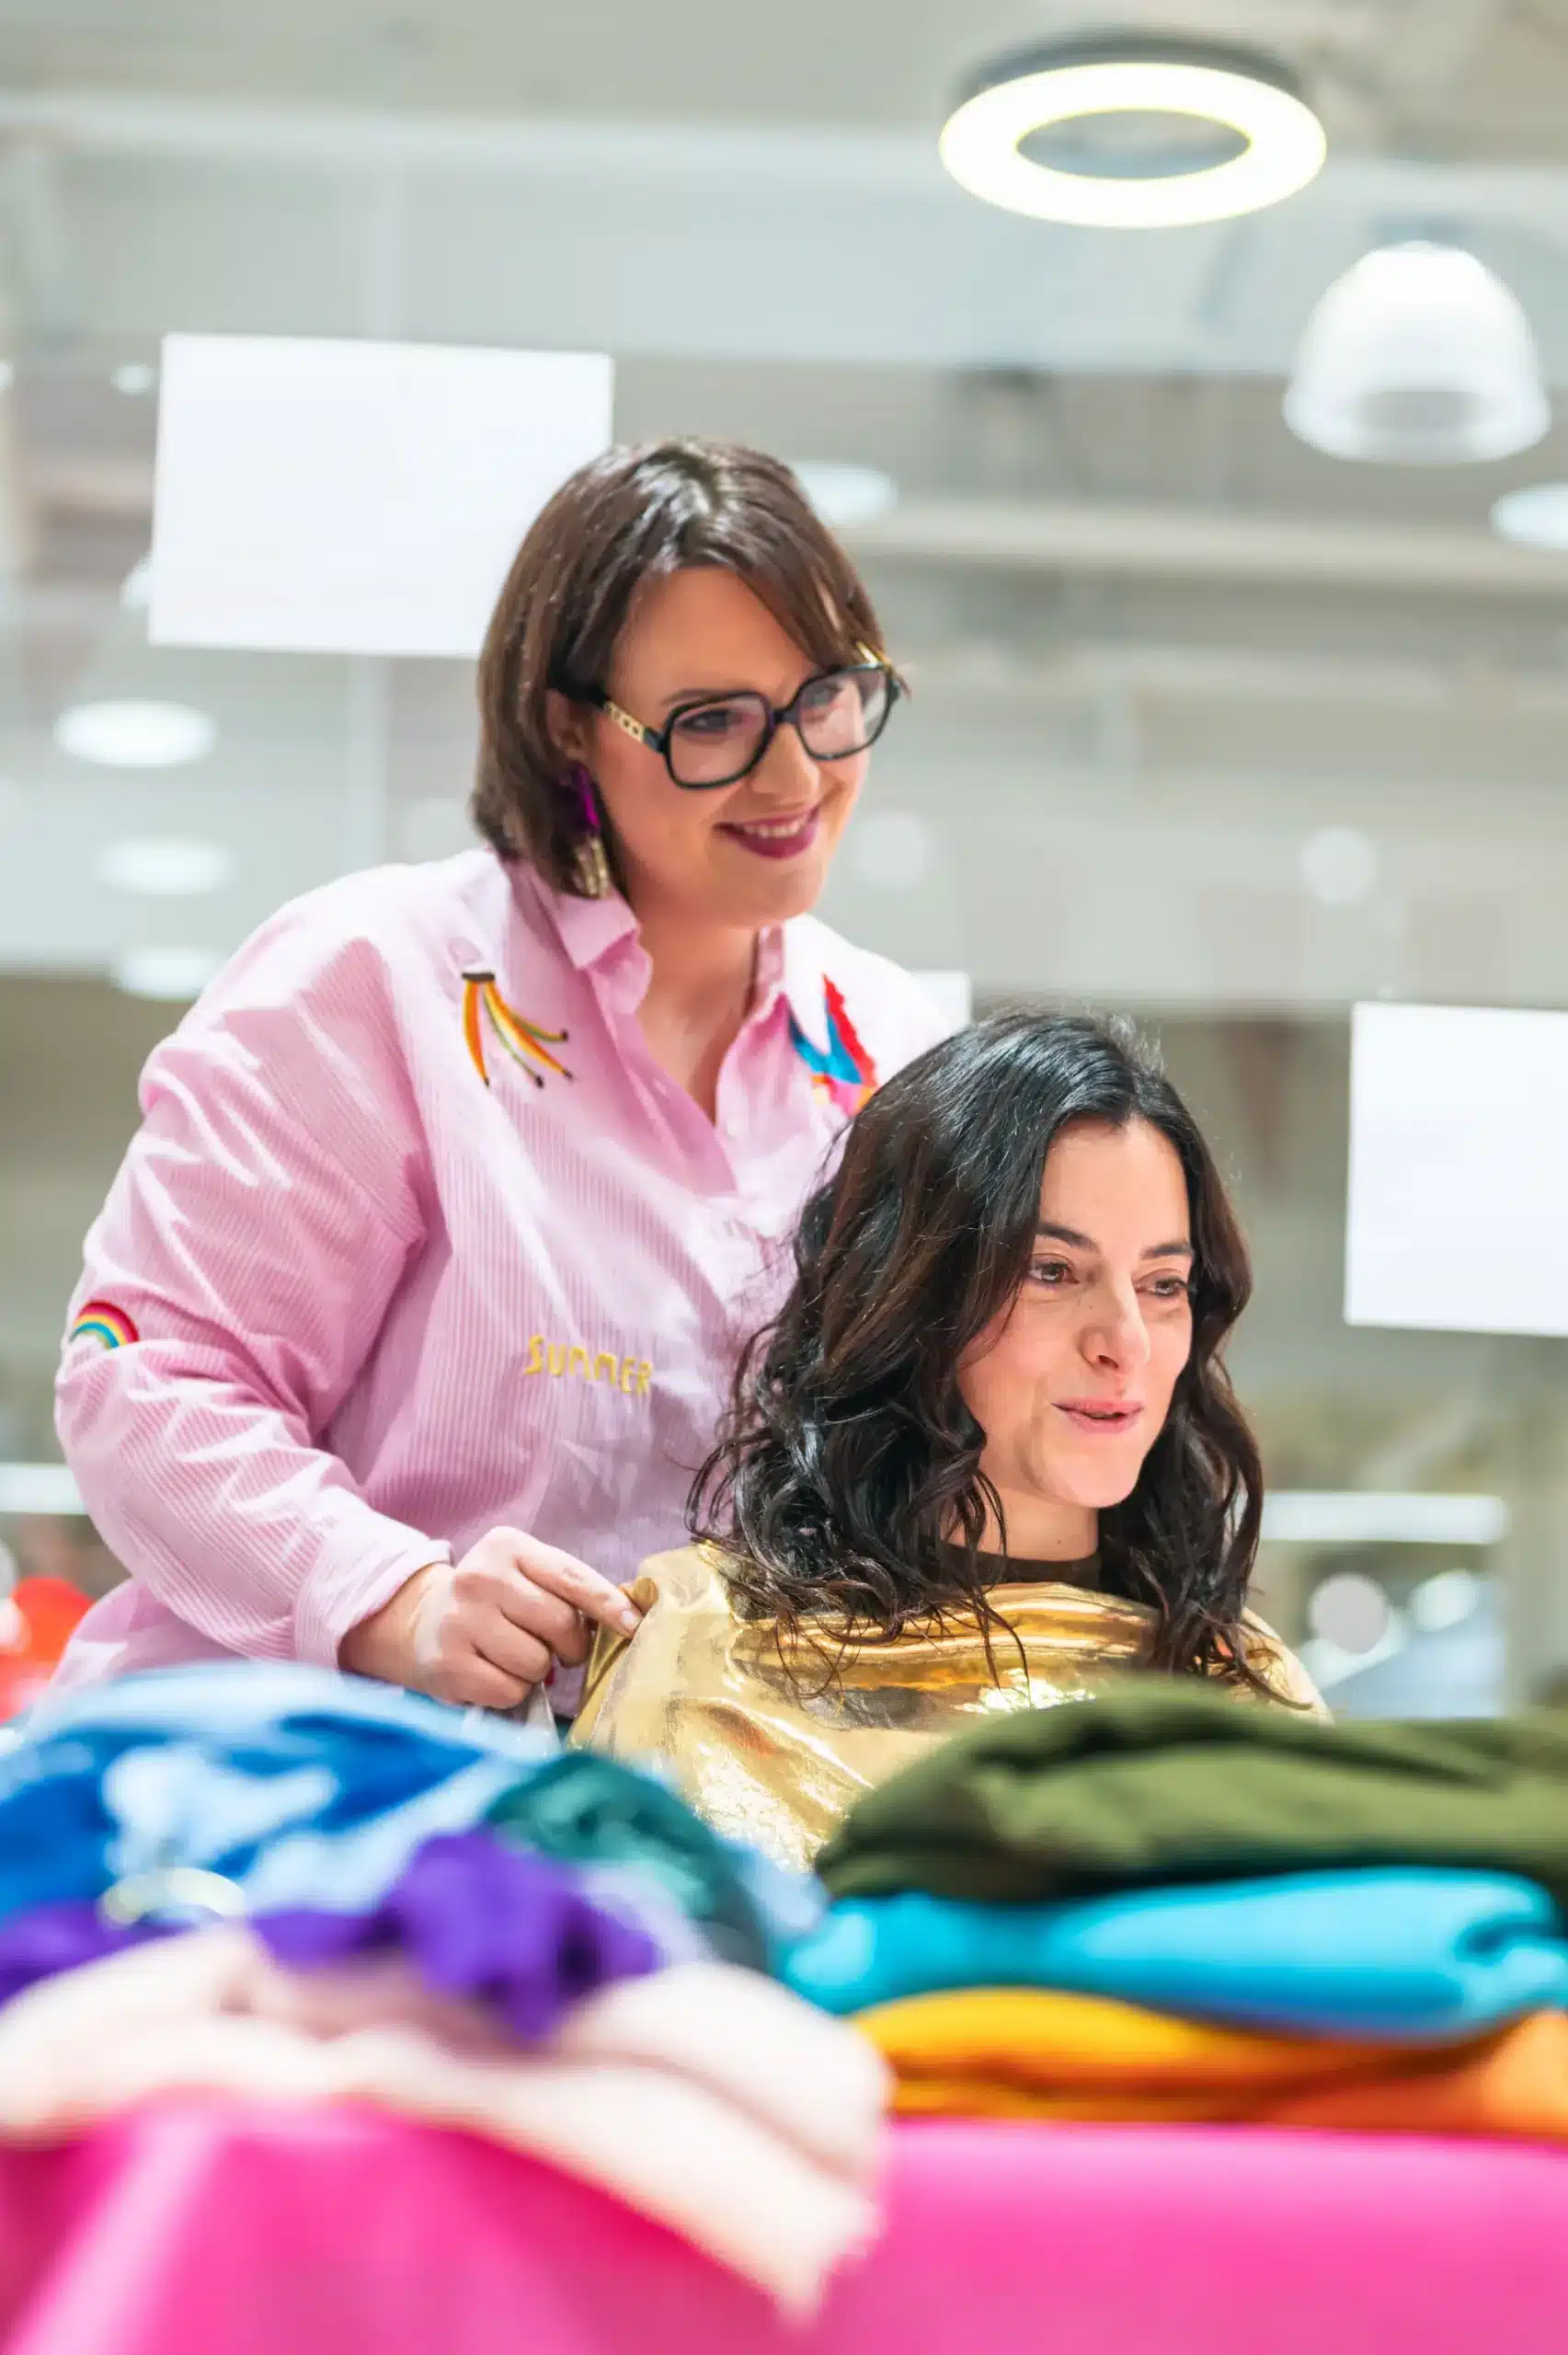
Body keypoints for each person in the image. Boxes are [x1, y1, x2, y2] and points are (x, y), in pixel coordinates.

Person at [52, 438, 948, 1706]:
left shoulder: (887, 1052)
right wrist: (391, 1599)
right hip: (322, 1784)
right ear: (567, 727)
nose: (797, 773)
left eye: (829, 698)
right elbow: (147, 1380)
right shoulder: (380, 979)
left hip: (692, 1809)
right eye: (712, 724)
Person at [573, 1012, 1323, 1868]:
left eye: (1163, 1284)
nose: (1126, 1341)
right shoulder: (701, 1648)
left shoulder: (1246, 1688)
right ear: (913, 1294)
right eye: (1052, 1272)